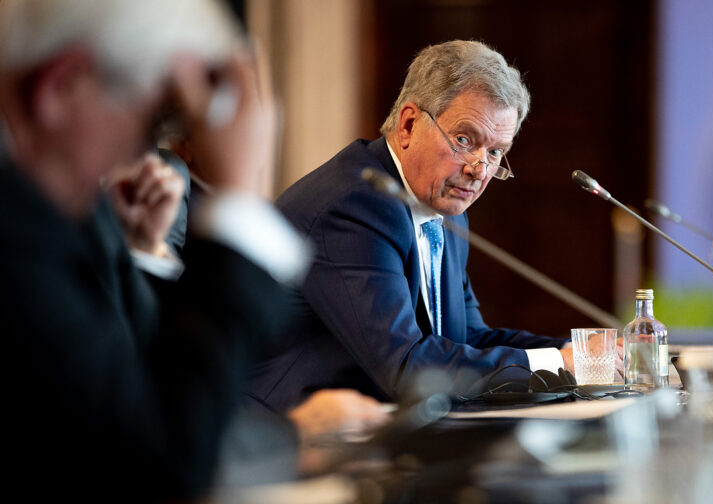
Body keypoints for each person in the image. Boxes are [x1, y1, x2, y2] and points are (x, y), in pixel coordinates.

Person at [0, 0, 385, 500]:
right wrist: (240, 199)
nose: (139, 155)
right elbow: (150, 460)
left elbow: (124, 388)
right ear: (60, 88)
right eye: (142, 121)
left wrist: (144, 249)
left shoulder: (61, 197)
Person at [249, 40, 622, 412]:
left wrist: (571, 354)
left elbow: (468, 338)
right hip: (286, 445)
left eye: (494, 152)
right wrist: (559, 367)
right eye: (464, 140)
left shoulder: (444, 208)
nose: (479, 170)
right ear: (409, 124)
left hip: (377, 429)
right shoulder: (354, 208)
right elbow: (407, 366)